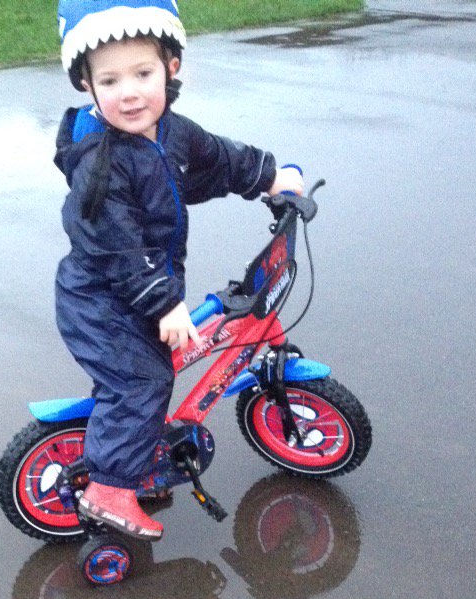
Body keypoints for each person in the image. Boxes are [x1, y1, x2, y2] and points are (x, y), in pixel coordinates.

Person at [54, 0, 303, 539]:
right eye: (110, 80)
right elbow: (118, 245)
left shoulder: (170, 131)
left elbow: (218, 160)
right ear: (87, 87)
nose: (130, 92)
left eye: (143, 73)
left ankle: (141, 457)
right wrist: (163, 300)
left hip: (141, 289)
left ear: (171, 67)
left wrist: (271, 176)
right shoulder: (99, 163)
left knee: (164, 360)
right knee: (143, 382)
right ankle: (111, 491)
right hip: (102, 299)